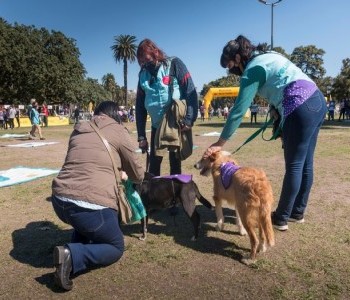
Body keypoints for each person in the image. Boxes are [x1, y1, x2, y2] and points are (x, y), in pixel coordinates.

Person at [205, 35, 327, 231]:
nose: (232, 71)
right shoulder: (269, 55)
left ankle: (281, 217)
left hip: (299, 104)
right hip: (317, 100)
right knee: (306, 163)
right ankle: (297, 212)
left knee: (295, 165)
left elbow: (238, 110)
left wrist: (220, 142)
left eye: (230, 66)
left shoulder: (252, 69)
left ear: (238, 58)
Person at [51, 101, 144, 291]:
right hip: (91, 205)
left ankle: (74, 247)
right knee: (115, 247)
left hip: (59, 200)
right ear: (116, 115)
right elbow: (138, 173)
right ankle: (71, 254)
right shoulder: (118, 130)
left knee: (86, 221)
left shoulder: (79, 129)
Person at [135, 38, 198, 176]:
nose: (144, 64)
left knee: (175, 163)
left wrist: (189, 119)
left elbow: (190, 91)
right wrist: (141, 137)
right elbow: (139, 107)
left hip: (174, 123)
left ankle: (175, 195)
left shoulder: (174, 64)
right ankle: (154, 195)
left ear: (155, 52)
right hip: (156, 125)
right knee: (154, 165)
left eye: (146, 59)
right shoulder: (143, 74)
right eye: (141, 62)